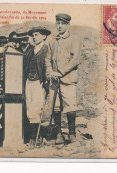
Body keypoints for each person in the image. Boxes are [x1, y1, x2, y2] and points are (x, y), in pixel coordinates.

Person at [45, 13, 82, 144]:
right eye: (58, 23)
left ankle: (72, 134)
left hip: (68, 79)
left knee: (70, 105)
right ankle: (59, 133)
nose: (59, 26)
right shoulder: (52, 41)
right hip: (54, 80)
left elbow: (75, 60)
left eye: (62, 24)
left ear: (68, 25)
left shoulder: (74, 39)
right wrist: (50, 72)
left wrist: (60, 72)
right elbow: (47, 59)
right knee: (56, 106)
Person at [24, 26, 51, 146]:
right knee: (29, 107)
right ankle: (33, 137)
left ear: (44, 36)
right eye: (33, 35)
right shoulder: (30, 50)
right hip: (28, 81)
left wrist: (46, 81)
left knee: (38, 107)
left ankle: (38, 137)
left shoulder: (47, 49)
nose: (34, 37)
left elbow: (49, 66)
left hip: (40, 82)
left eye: (37, 35)